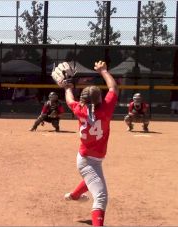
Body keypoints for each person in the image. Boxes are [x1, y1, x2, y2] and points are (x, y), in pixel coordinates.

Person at [54, 60, 118, 226]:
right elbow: (113, 88)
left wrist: (67, 87)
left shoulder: (79, 109)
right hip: (88, 161)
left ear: (82, 100)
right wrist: (103, 71)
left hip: (85, 158)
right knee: (101, 197)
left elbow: (69, 100)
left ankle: (74, 195)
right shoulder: (106, 109)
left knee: (94, 178)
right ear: (100, 100)